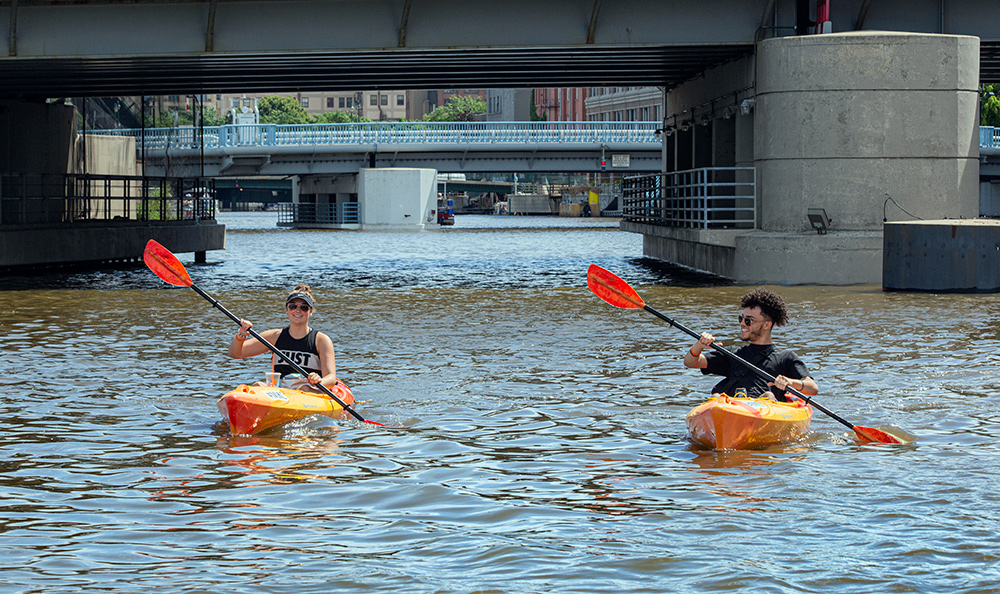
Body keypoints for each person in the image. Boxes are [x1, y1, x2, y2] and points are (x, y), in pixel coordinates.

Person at [683, 287, 818, 402]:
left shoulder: (785, 357)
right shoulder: (732, 354)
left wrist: (790, 382)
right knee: (717, 396)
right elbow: (691, 362)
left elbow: (812, 388)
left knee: (769, 396)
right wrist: (699, 345)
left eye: (748, 321)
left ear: (766, 325)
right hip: (730, 409)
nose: (742, 323)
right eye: (741, 318)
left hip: (764, 410)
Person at [227, 284, 337, 393]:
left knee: (304, 388)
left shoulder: (321, 340)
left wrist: (319, 380)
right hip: (282, 393)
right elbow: (235, 353)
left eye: (304, 307)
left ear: (310, 312)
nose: (298, 311)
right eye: (293, 306)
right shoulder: (273, 337)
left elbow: (331, 378)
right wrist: (241, 335)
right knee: (258, 385)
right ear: (287, 310)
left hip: (308, 391)